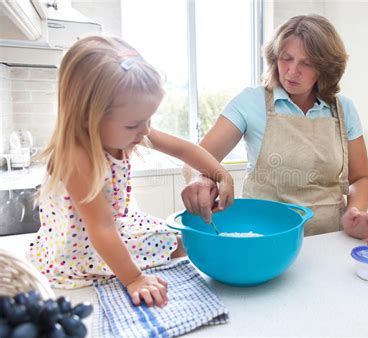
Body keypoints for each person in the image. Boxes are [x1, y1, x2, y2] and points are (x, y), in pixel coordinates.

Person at [27, 36, 234, 307]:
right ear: (90, 117)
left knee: (183, 241)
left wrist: (221, 174)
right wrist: (134, 279)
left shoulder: (127, 128)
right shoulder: (77, 157)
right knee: (182, 245)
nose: (146, 130)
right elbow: (100, 228)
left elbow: (183, 149)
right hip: (81, 249)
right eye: (135, 124)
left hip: (114, 228)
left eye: (149, 119)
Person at [181, 14, 368, 245]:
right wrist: (198, 178)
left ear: (325, 68)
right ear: (275, 57)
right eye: (286, 58)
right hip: (265, 239)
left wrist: (354, 212)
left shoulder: (344, 109)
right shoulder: (250, 102)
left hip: (329, 239)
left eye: (306, 63)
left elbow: (361, 177)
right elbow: (194, 160)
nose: (292, 71)